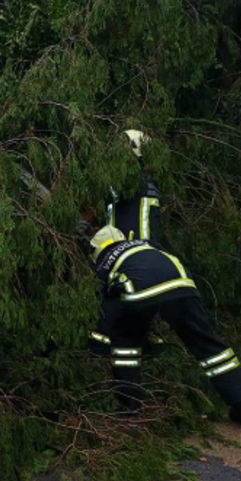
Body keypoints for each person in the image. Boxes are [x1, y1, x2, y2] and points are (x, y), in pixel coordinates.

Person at [89, 225, 241, 427]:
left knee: (126, 345)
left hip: (140, 293)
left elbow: (105, 311)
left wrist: (96, 347)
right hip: (182, 286)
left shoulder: (105, 262)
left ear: (97, 249)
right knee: (208, 346)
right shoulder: (147, 245)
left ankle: (130, 406)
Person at [89, 130, 165, 355]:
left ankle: (108, 348)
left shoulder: (132, 183)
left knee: (123, 305)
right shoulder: (136, 184)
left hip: (131, 252)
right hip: (132, 250)